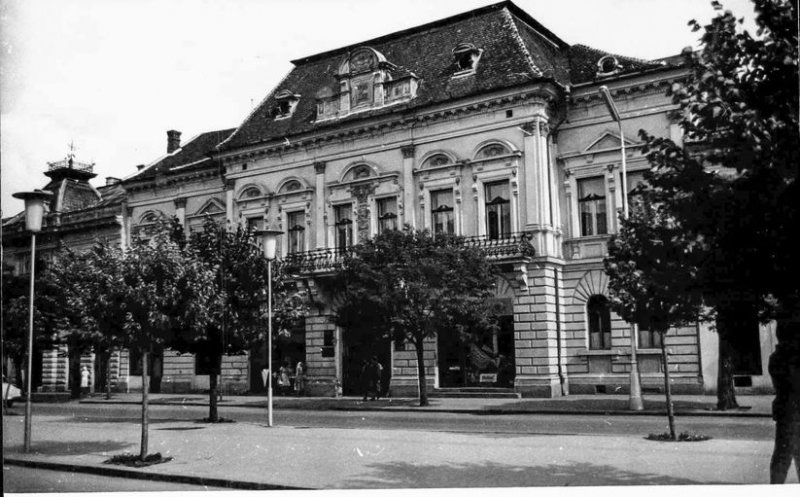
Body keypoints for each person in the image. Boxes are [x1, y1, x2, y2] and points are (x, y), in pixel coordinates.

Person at [769, 327, 800, 484]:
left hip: (786, 412)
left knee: (782, 456)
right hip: (792, 412)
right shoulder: (790, 358)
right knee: (783, 457)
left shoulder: (776, 357)